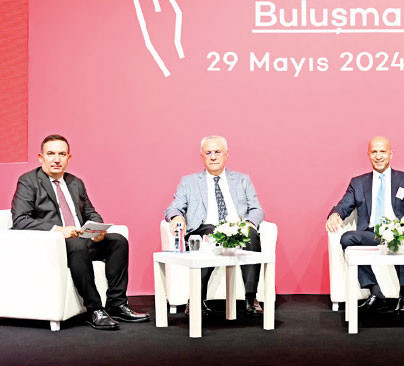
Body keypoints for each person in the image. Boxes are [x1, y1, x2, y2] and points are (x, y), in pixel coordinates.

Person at [11, 134, 150, 330]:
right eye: (51, 154)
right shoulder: (28, 181)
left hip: (80, 242)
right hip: (53, 246)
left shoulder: (75, 182)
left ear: (69, 158)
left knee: (118, 241)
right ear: (41, 157)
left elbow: (90, 213)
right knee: (76, 244)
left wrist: (98, 229)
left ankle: (117, 304)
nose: (56, 159)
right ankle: (95, 310)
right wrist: (59, 230)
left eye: (62, 154)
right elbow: (20, 220)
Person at [325, 136, 404, 313]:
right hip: (373, 234)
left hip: (401, 231)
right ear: (368, 155)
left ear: (390, 154)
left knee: (401, 236)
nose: (378, 156)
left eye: (383, 151)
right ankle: (376, 292)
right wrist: (335, 214)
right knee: (347, 238)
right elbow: (344, 205)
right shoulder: (358, 183)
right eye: (374, 152)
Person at [165, 136, 265, 315]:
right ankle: (197, 299)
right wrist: (176, 217)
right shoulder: (189, 182)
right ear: (202, 156)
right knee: (210, 231)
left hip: (236, 230)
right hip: (205, 229)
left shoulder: (242, 180)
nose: (213, 157)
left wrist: (248, 223)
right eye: (208, 153)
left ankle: (251, 298)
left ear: (226, 154)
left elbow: (257, 209)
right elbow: (173, 208)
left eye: (217, 152)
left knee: (250, 233)